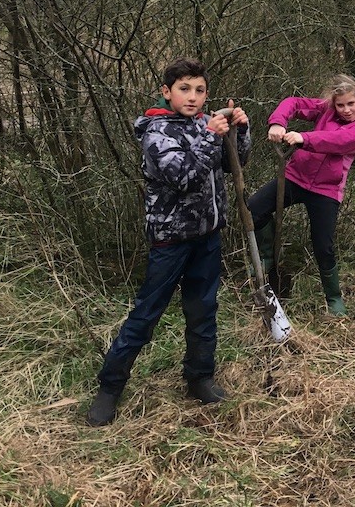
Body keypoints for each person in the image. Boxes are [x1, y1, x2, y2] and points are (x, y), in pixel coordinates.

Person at [86, 58, 251, 427]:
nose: (192, 97)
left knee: (203, 310)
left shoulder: (205, 124)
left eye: (199, 90)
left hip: (207, 235)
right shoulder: (156, 132)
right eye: (184, 89)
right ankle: (109, 388)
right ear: (167, 92)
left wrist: (239, 131)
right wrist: (211, 135)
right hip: (170, 240)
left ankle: (199, 378)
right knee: (146, 314)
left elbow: (232, 164)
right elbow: (184, 178)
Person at [245, 74, 355, 317]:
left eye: (351, 103)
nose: (346, 110)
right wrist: (278, 122)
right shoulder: (326, 110)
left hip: (327, 189)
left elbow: (338, 140)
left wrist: (304, 138)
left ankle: (333, 297)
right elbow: (293, 103)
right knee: (255, 207)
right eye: (340, 105)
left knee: (323, 245)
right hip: (295, 177)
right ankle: (267, 257)